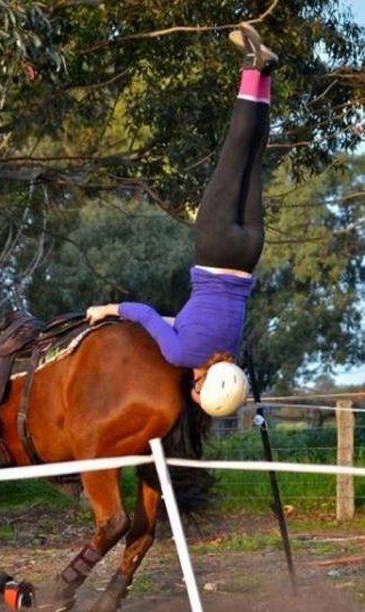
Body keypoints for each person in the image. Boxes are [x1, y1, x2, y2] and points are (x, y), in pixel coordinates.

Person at [86, 23, 278, 417]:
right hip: (216, 246)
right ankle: (252, 65)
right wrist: (106, 311)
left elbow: (185, 321)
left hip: (248, 252)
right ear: (203, 386)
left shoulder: (228, 348)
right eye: (196, 394)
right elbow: (144, 315)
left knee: (254, 157)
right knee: (233, 152)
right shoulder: (179, 355)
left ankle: (264, 75)